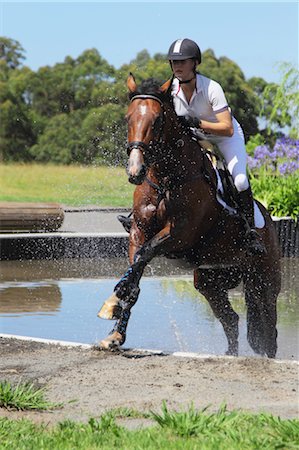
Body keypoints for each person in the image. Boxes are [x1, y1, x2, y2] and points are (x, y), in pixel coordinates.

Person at [167, 38, 266, 256]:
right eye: (174, 62)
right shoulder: (171, 90)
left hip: (226, 138)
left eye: (183, 61)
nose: (178, 66)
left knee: (239, 180)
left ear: (195, 63)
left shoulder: (212, 88)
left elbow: (226, 128)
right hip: (198, 139)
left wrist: (197, 123)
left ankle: (252, 233)